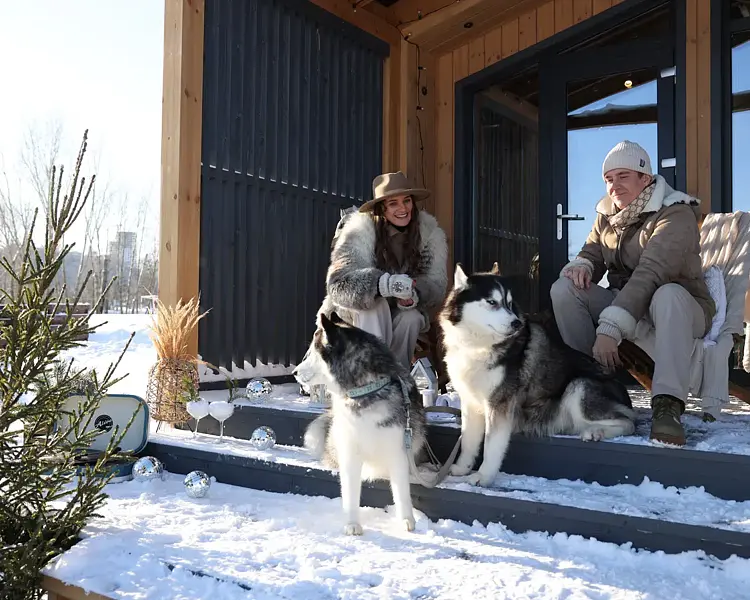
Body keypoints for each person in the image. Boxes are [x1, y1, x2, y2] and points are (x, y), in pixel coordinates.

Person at [550, 140, 715, 446]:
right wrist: (583, 265)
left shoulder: (676, 214)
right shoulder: (607, 216)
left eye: (623, 176)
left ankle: (667, 406)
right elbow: (592, 251)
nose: (614, 186)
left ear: (646, 179)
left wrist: (611, 327)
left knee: (668, 294)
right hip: (628, 304)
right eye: (609, 179)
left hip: (681, 307)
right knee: (565, 289)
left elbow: (651, 272)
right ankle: (591, 387)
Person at [315, 171, 448, 369]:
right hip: (353, 314)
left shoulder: (429, 235)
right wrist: (381, 285)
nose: (403, 208)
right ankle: (373, 376)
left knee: (411, 318)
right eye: (393, 203)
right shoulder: (359, 231)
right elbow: (338, 284)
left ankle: (397, 377)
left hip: (397, 312)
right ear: (381, 209)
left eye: (407, 201)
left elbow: (436, 285)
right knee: (375, 307)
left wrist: (413, 293)